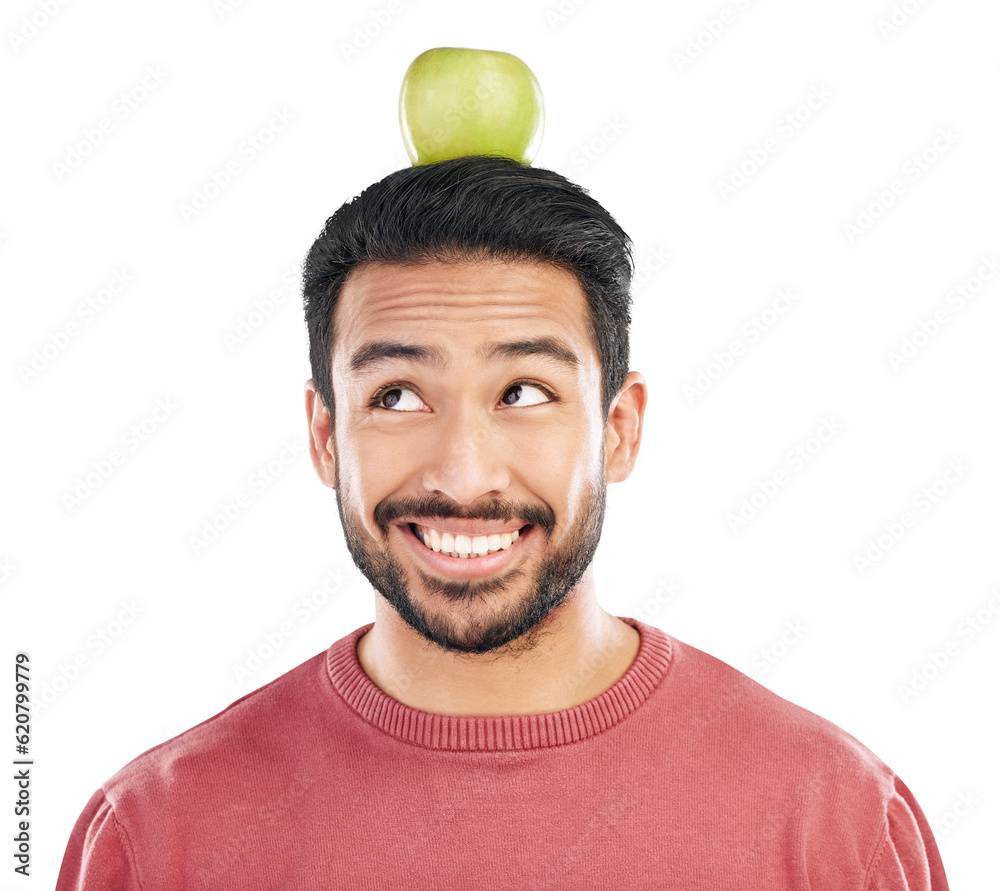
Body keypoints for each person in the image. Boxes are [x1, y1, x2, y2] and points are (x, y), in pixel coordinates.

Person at [56, 156, 949, 889]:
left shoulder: (835, 826)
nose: (463, 473)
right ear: (326, 436)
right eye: (398, 396)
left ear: (619, 428)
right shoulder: (157, 837)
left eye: (523, 392)